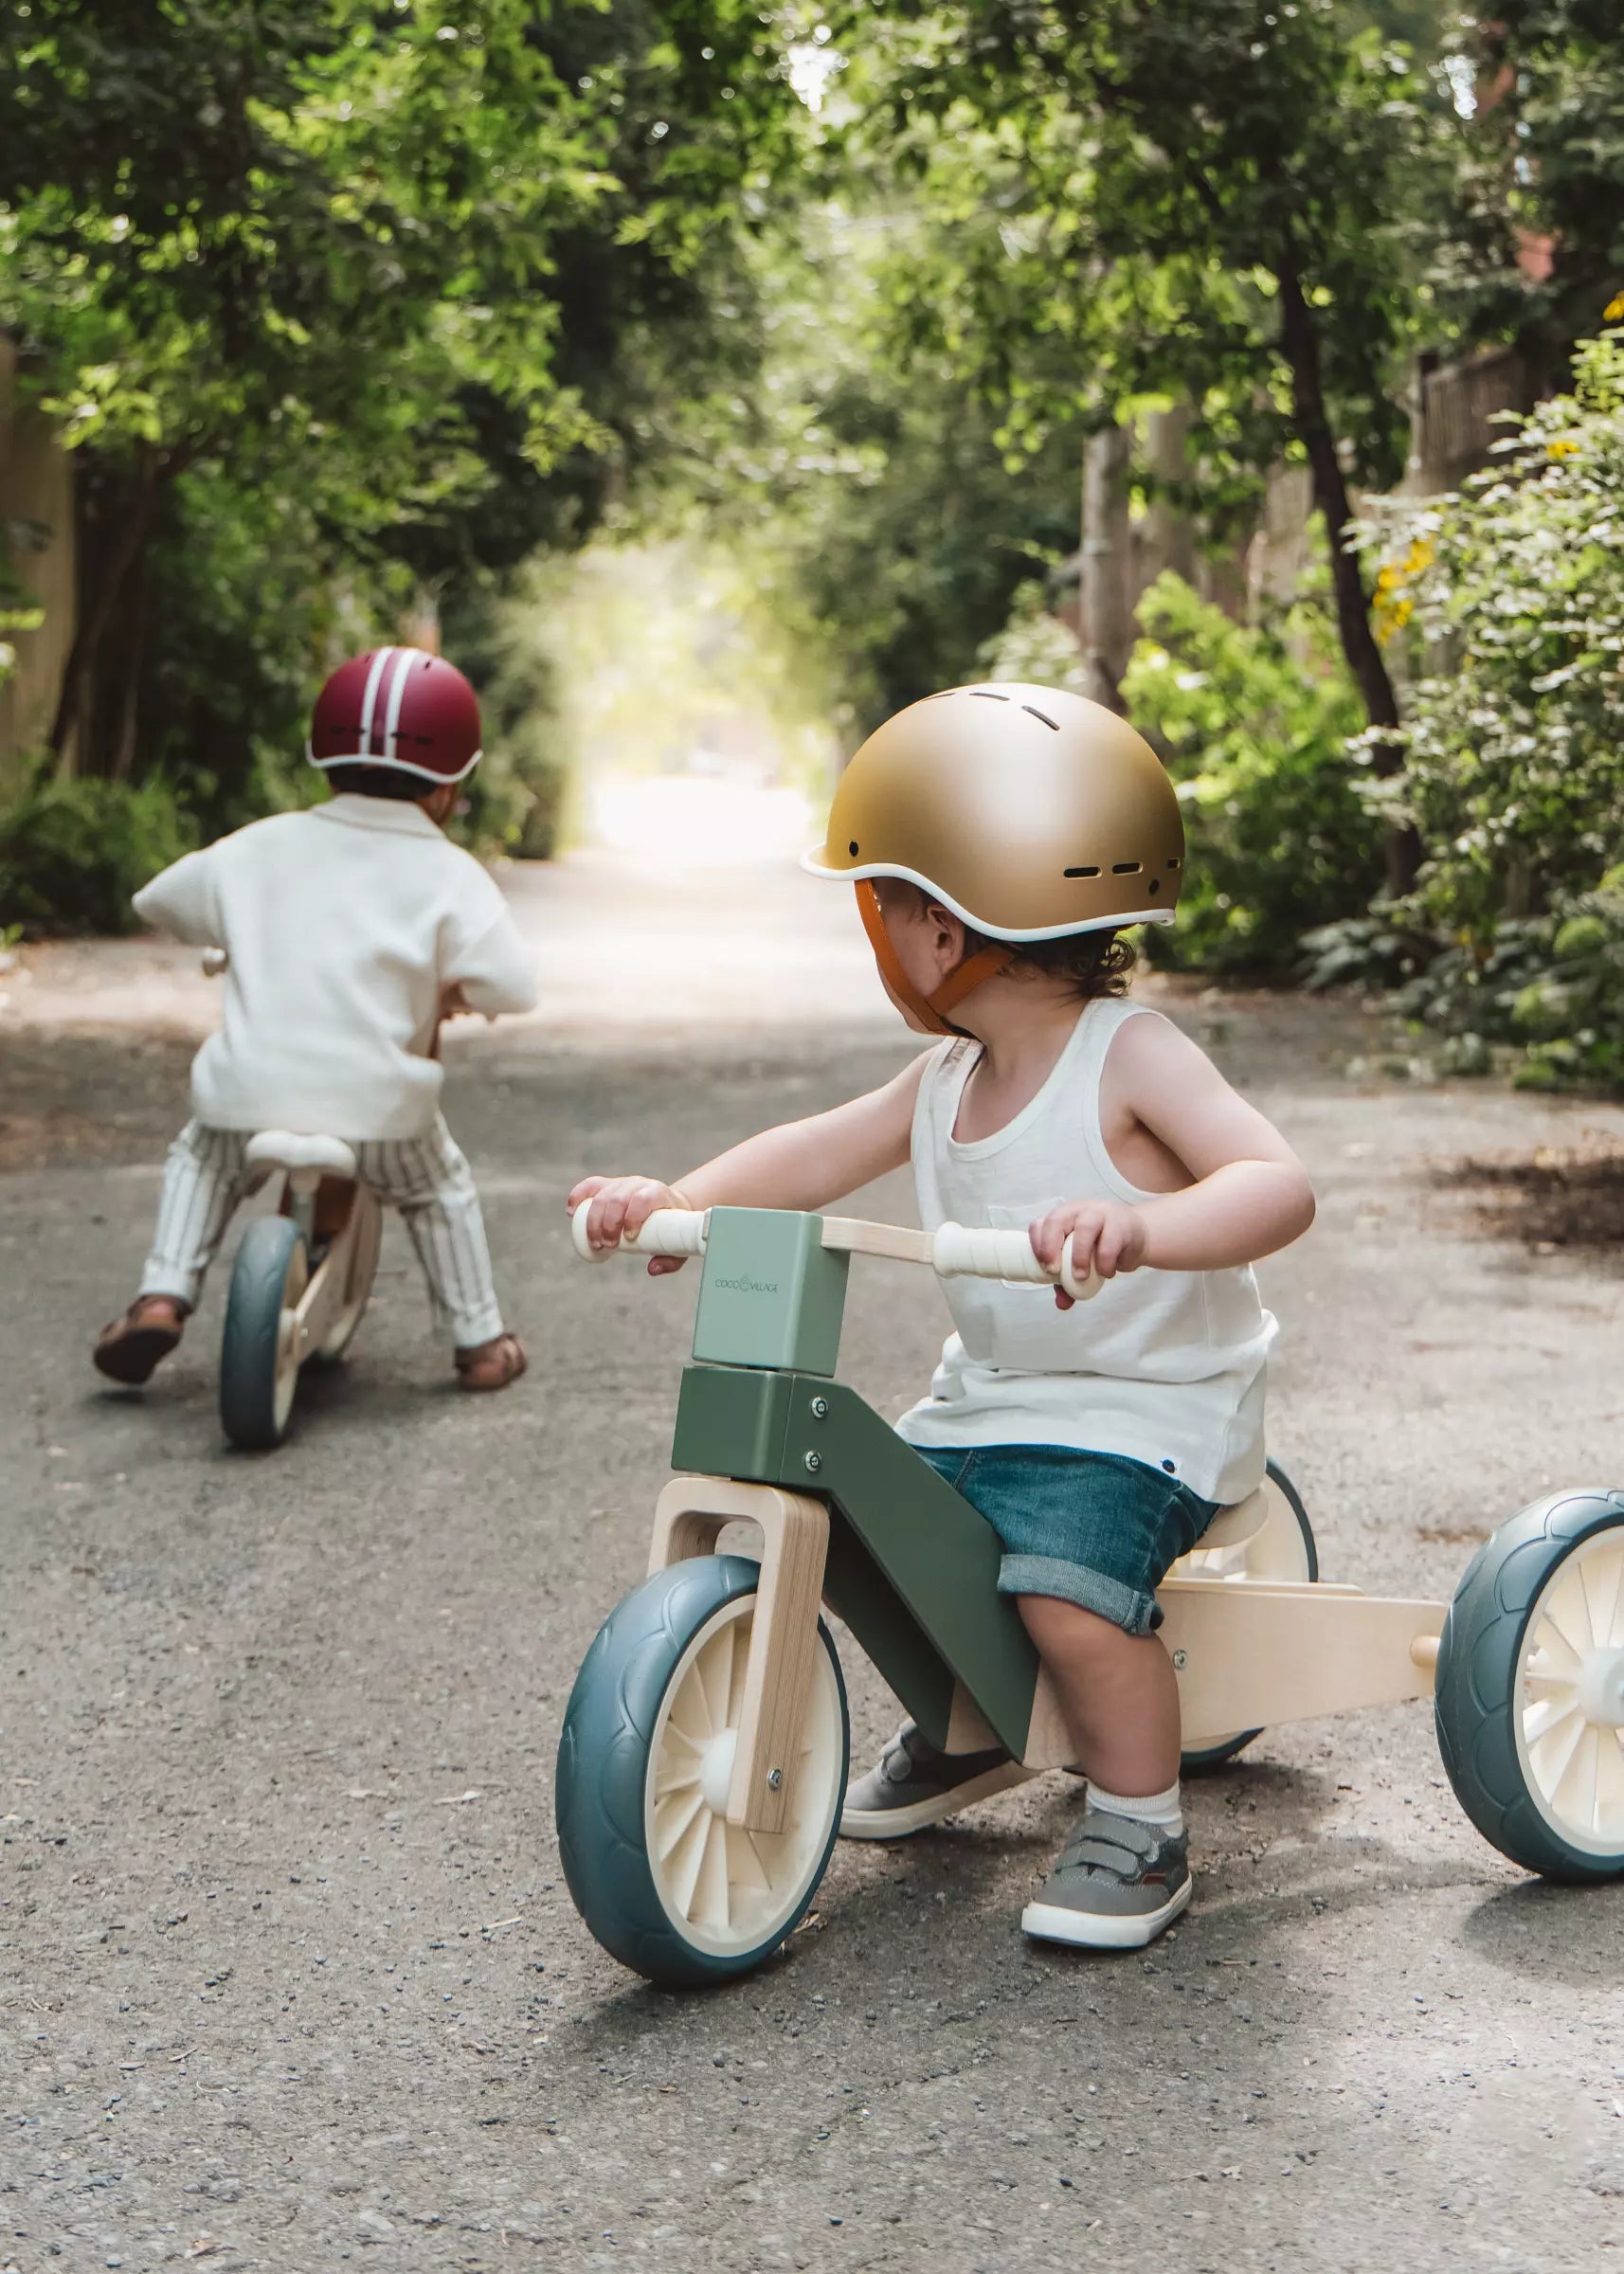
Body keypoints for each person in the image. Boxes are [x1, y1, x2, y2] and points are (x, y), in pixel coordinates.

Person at [568, 681, 1315, 1950]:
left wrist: (1136, 1225)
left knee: (1067, 1595)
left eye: (880, 903)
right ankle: (971, 1725)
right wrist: (674, 1200)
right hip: (997, 1399)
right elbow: (811, 1154)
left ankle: (1139, 1819)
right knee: (884, 1534)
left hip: (1142, 1415)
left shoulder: (1127, 1054)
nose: (875, 931)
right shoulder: (945, 1075)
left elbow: (1275, 1185)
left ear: (937, 926)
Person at [94, 645, 536, 1395]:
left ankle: (163, 1296)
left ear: (322, 759)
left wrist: (234, 933)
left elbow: (158, 901)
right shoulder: (450, 874)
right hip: (379, 1112)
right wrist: (456, 991)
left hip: (247, 1093)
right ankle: (481, 1340)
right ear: (451, 788)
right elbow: (513, 986)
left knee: (203, 1162)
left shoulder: (258, 845)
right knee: (439, 1190)